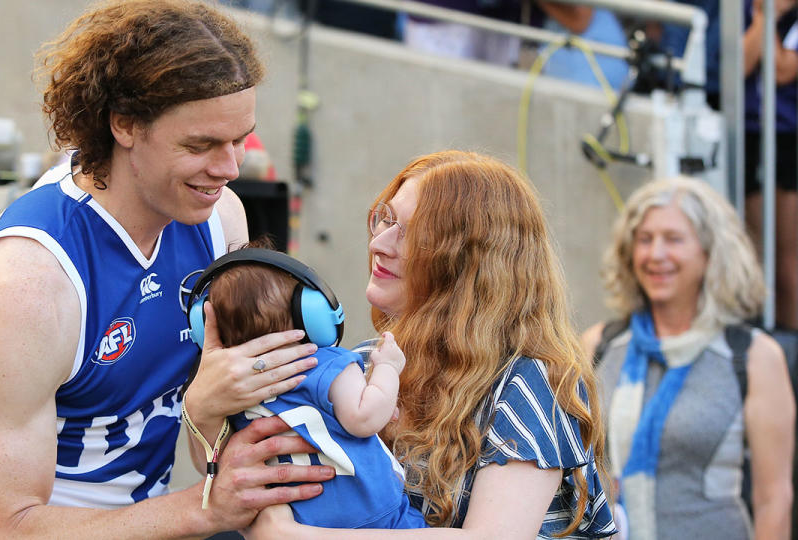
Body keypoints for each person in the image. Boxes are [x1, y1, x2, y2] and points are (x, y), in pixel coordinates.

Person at [0, 1, 336, 537]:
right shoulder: (29, 283)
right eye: (201, 145)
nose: (229, 169)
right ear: (124, 124)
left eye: (239, 140)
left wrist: (206, 413)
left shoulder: (221, 219)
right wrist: (203, 510)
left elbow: (215, 458)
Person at [248, 150, 617, 538]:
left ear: (472, 264)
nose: (380, 243)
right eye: (385, 219)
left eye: (415, 232)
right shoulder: (363, 364)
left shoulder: (529, 381)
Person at [581, 177, 795, 539]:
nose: (655, 254)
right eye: (645, 239)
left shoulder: (754, 356)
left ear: (710, 252)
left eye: (674, 239)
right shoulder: (599, 344)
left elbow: (773, 499)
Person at [189, 246, 427, 529]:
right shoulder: (326, 365)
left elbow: (214, 462)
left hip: (304, 525)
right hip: (380, 516)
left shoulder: (235, 399)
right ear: (309, 313)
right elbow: (365, 418)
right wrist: (387, 368)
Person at [743, 0, 798, 330]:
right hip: (751, 135)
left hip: (789, 140)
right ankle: (762, 339)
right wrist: (765, 17)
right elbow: (738, 66)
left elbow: (780, 69)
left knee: (788, 257)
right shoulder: (745, 10)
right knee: (757, 255)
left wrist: (769, 16)